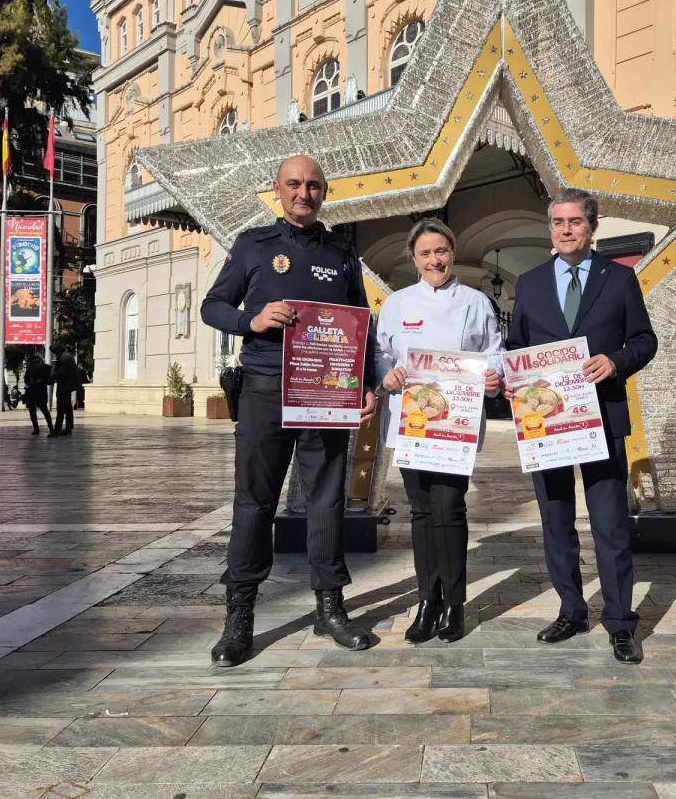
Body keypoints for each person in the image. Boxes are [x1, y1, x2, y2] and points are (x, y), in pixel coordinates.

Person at [200, 154, 379, 666]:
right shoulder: (253, 245)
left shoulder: (342, 252)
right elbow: (214, 306)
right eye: (294, 185)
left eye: (314, 186)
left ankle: (330, 607)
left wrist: (365, 383)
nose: (304, 193)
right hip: (263, 389)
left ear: (325, 193)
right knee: (254, 502)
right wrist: (251, 321)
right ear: (277, 189)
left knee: (326, 501)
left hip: (325, 394)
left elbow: (359, 323)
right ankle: (240, 615)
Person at [506, 188, 658, 664]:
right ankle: (571, 610)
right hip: (545, 423)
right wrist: (512, 381)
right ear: (550, 228)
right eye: (557, 222)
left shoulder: (620, 280)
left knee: (610, 525)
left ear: (591, 227)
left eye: (574, 221)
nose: (565, 230)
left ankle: (619, 623)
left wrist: (615, 362)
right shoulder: (529, 283)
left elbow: (645, 340)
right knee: (555, 522)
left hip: (601, 418)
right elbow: (515, 348)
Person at [375, 219, 504, 644]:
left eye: (442, 251)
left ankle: (454, 604)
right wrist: (386, 376)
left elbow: (494, 352)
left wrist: (493, 376)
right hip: (412, 423)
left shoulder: (476, 301)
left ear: (452, 253)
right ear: (414, 260)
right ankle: (427, 599)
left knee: (449, 509)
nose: (435, 260)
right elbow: (379, 352)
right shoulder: (396, 304)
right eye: (426, 253)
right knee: (421, 511)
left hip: (455, 424)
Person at [49, 345, 80, 436]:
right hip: (66, 386)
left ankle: (57, 429)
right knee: (67, 408)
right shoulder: (67, 357)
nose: (54, 354)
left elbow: (60, 372)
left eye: (53, 352)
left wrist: (53, 375)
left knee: (61, 408)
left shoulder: (63, 358)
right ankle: (68, 428)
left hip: (64, 386)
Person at [23, 352, 53, 436]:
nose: (36, 363)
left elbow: (52, 380)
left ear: (41, 361)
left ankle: (51, 428)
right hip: (31, 392)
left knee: (45, 411)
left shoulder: (47, 368)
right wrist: (31, 383)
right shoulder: (30, 369)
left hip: (41, 392)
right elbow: (26, 380)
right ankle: (36, 429)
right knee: (32, 412)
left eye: (38, 361)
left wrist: (43, 382)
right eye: (34, 362)